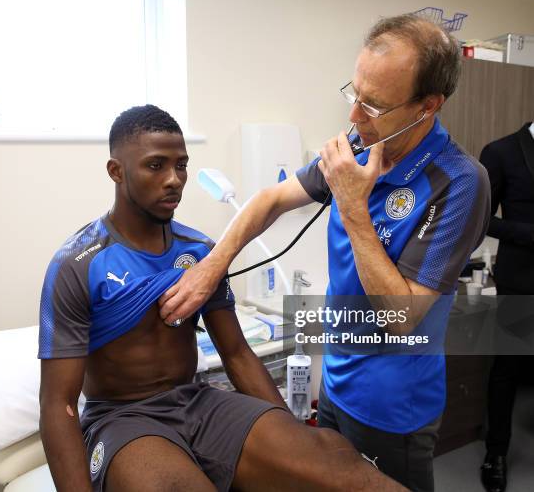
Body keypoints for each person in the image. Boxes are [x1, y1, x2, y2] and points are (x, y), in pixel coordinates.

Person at [159, 15, 491, 491]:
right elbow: (270, 199)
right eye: (354, 94)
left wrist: (353, 204)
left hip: (392, 407)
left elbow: (401, 317)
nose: (354, 117)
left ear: (428, 106)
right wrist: (212, 267)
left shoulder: (459, 182)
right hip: (335, 385)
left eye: (374, 105)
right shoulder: (357, 144)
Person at [38, 105, 404, 492]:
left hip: (197, 404)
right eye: (156, 166)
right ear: (116, 171)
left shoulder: (200, 252)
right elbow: (57, 405)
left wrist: (289, 433)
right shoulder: (78, 265)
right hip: (121, 418)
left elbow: (236, 354)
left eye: (181, 166)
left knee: (333, 460)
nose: (173, 180)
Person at [479, 122, 534, 492]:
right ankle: (495, 453)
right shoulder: (500, 151)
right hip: (521, 281)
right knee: (508, 368)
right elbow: (482, 219)